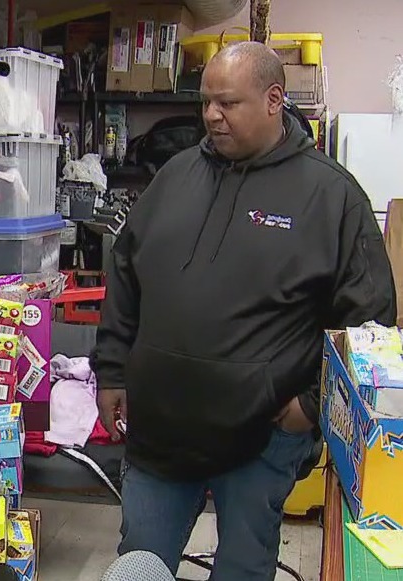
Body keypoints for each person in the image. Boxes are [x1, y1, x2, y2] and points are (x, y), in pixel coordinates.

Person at [91, 41, 396, 581]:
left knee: (242, 569)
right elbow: (125, 273)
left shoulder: (332, 197)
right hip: (162, 429)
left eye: (228, 103)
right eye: (206, 102)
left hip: (261, 437)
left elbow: (369, 324)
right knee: (139, 565)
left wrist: (313, 401)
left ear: (275, 98)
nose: (211, 115)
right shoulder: (175, 177)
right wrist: (112, 369)